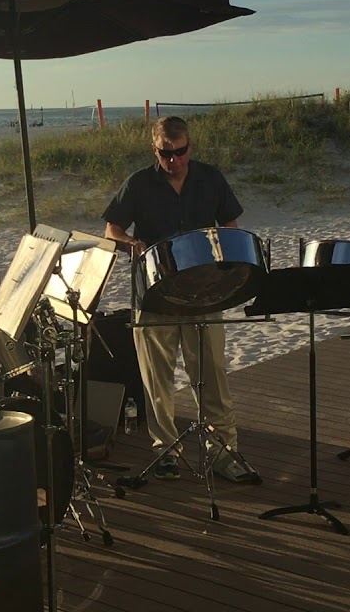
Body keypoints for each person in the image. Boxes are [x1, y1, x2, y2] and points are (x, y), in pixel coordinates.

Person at [102, 116, 251, 483]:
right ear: (155, 150)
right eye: (166, 154)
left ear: (190, 147)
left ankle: (223, 450)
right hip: (155, 294)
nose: (174, 161)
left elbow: (230, 225)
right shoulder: (139, 183)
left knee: (212, 373)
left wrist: (223, 253)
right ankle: (165, 450)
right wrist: (130, 244)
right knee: (158, 378)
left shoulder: (210, 178)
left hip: (204, 292)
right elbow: (111, 229)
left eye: (181, 152)